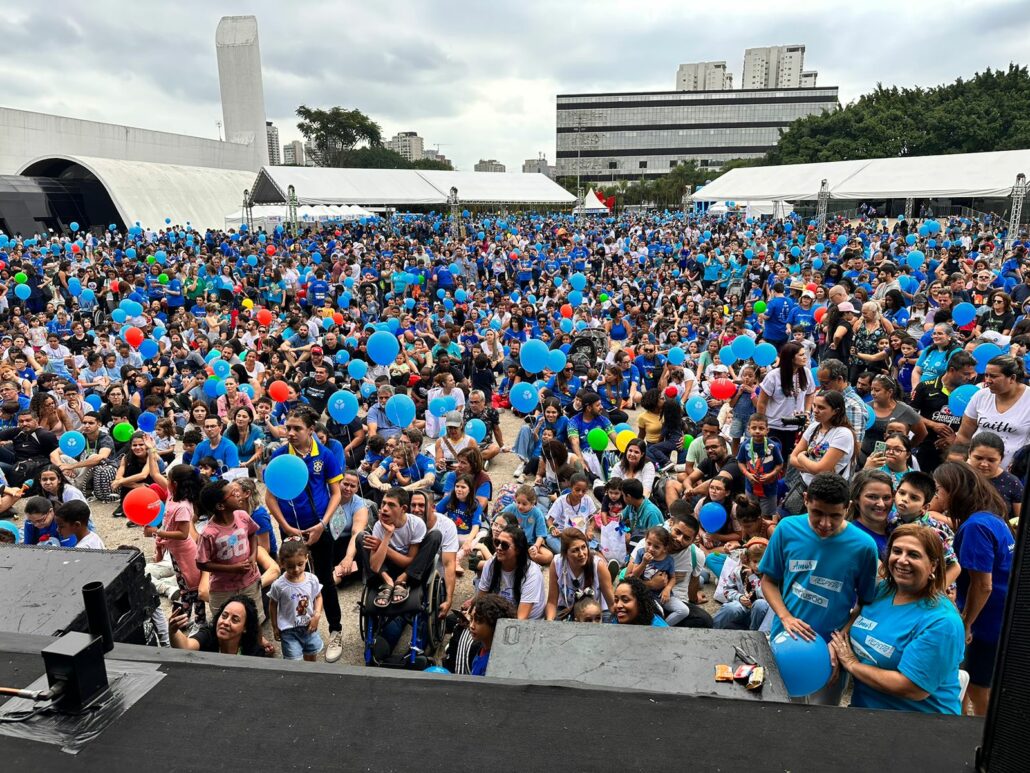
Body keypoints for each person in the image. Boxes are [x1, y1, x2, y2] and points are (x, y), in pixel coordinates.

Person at [759, 473, 879, 704]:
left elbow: (866, 604)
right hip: (786, 642)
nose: (825, 523)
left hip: (832, 650)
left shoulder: (864, 546)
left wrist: (841, 638)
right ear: (806, 500)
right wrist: (785, 617)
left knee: (823, 720)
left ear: (849, 508)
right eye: (817, 513)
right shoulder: (786, 529)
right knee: (782, 709)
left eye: (835, 515)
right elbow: (769, 581)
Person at [829, 524, 966, 715]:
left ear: (933, 565)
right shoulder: (881, 590)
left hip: (919, 726)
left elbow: (912, 688)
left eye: (914, 555)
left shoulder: (942, 622)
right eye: (897, 551)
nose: (902, 560)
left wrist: (852, 664)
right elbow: (856, 617)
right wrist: (837, 642)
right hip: (864, 713)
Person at [932, 462, 1014, 716]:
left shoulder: (976, 527)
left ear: (954, 491)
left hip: (987, 622)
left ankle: (983, 741)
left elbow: (983, 585)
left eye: (939, 490)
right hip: (999, 617)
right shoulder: (990, 518)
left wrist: (966, 622)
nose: (936, 495)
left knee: (977, 688)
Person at [264, 406, 345, 663]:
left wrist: (323, 523)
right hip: (291, 529)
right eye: (288, 427)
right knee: (291, 577)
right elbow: (270, 496)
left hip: (320, 527)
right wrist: (286, 527)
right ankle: (293, 631)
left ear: (311, 430)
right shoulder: (279, 456)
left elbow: (336, 493)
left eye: (297, 428)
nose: (290, 433)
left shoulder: (326, 454)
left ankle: (335, 630)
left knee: (324, 579)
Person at [145, 464, 205, 625]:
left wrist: (156, 532)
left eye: (168, 478)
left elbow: (183, 534)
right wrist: (152, 450)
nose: (166, 480)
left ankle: (193, 622)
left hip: (186, 554)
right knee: (185, 587)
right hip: (175, 553)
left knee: (191, 590)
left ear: (175, 483)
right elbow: (155, 473)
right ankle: (190, 621)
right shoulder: (172, 495)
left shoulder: (183, 506)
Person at [785, 391, 856, 513]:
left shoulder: (843, 434)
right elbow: (792, 458)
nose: (816, 410)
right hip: (804, 487)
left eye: (821, 407)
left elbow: (820, 469)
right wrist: (813, 468)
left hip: (827, 493)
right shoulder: (814, 427)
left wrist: (802, 458)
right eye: (814, 406)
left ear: (836, 411)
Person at [955, 355, 1030, 466]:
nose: (988, 380)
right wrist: (956, 464)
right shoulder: (980, 396)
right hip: (975, 471)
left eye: (993, 376)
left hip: (1013, 474)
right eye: (986, 375)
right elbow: (963, 436)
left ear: (1012, 378)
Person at [910, 351, 976, 470]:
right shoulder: (925, 387)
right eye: (965, 373)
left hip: (956, 453)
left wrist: (955, 438)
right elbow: (910, 413)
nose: (969, 377)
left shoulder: (971, 392)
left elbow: (976, 423)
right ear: (951, 370)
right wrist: (933, 424)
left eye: (971, 374)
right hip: (925, 448)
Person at [756, 341, 816, 459]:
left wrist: (807, 412)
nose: (805, 357)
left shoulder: (807, 373)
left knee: (790, 461)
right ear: (791, 358)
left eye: (805, 354)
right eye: (801, 355)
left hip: (796, 427)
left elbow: (810, 393)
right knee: (771, 460)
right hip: (775, 426)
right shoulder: (773, 375)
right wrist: (762, 425)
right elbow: (761, 403)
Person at [268, 539, 324, 663]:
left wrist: (317, 614)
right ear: (282, 563)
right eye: (290, 566)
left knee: (311, 656)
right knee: (293, 663)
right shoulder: (278, 585)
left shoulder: (312, 580)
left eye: (300, 564)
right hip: (288, 631)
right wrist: (275, 627)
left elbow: (318, 596)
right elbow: (272, 604)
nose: (296, 569)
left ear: (306, 558)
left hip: (309, 627)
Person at [475, 523, 547, 620]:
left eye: (504, 545)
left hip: (528, 622)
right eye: (497, 542)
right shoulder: (491, 564)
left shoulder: (532, 573)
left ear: (518, 550)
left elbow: (521, 618)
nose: (499, 548)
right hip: (502, 615)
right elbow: (481, 600)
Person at [545, 527, 616, 620]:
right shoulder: (557, 563)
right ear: (565, 554)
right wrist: (550, 623)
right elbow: (552, 602)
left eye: (583, 547)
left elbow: (612, 604)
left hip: (596, 612)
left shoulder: (598, 565)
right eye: (575, 550)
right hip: (567, 609)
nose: (582, 554)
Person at [168, 594, 268, 657]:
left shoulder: (253, 652)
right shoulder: (208, 635)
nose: (225, 622)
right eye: (224, 616)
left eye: (235, 620)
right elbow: (186, 647)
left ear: (245, 628)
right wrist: (173, 631)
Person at [861, 375, 927, 458]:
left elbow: (922, 433)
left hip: (893, 460)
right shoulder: (865, 408)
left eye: (877, 390)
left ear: (890, 392)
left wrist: (906, 448)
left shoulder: (905, 410)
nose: (873, 393)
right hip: (865, 457)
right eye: (871, 389)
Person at [713, 538, 770, 631]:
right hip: (741, 611)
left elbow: (766, 596)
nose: (758, 566)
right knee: (732, 607)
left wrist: (753, 578)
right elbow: (727, 589)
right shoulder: (739, 572)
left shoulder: (769, 575)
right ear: (747, 559)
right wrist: (739, 597)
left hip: (758, 616)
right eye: (755, 561)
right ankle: (712, 628)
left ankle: (754, 634)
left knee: (760, 604)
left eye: (761, 561)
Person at [967, 432, 1023, 523]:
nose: (984, 464)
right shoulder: (957, 477)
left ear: (1001, 459)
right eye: (979, 458)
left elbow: (1020, 523)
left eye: (991, 460)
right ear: (969, 454)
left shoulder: (1012, 483)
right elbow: (934, 512)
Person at [468, 594, 517, 676]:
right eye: (471, 619)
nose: (471, 626)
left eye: (479, 621)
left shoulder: (494, 663)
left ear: (493, 624)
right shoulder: (481, 648)